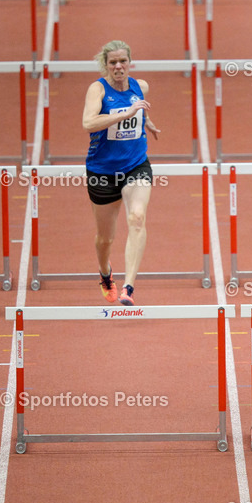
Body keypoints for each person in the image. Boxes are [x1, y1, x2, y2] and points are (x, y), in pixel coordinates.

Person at [82, 40, 161, 306]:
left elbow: (138, 111)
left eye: (123, 61)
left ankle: (128, 287)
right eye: (113, 62)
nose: (118, 66)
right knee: (106, 238)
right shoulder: (98, 89)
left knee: (137, 217)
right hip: (102, 170)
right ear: (106, 65)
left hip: (135, 165)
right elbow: (88, 123)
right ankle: (105, 273)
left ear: (129, 62)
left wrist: (147, 122)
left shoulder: (141, 86)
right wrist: (125, 113)